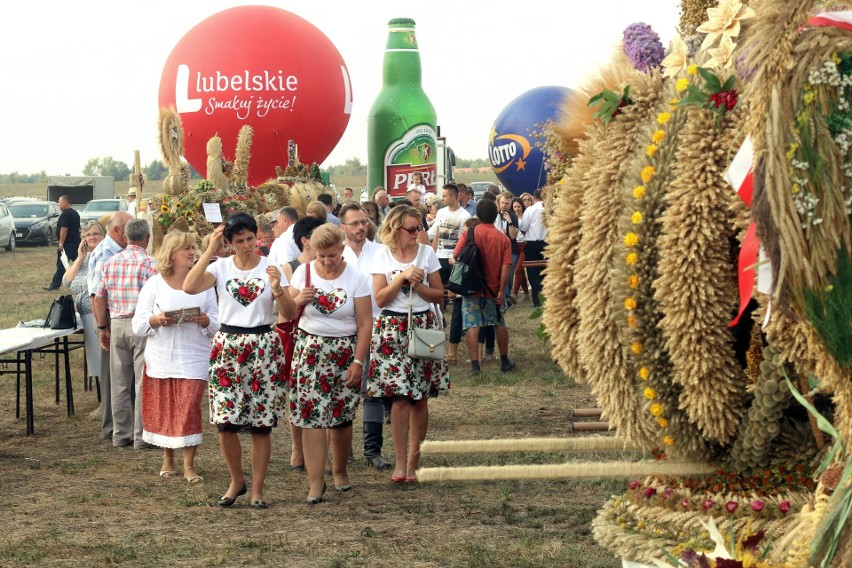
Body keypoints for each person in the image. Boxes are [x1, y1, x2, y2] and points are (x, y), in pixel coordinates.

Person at [183, 213, 298, 509]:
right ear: (230, 243)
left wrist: (277, 287)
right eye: (240, 241)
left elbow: (290, 311)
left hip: (263, 344)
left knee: (260, 424)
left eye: (251, 239)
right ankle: (237, 480)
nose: (247, 245)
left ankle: (258, 488)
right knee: (226, 421)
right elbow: (189, 287)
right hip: (229, 345)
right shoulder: (220, 268)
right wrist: (209, 250)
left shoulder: (271, 268)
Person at [288, 224, 372, 503]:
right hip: (309, 350)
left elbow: (364, 322)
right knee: (311, 418)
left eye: (332, 255)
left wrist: (358, 361)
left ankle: (339, 470)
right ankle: (315, 481)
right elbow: (286, 310)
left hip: (344, 352)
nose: (326, 261)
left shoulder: (356, 277)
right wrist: (299, 297)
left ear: (341, 249)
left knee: (341, 417)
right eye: (321, 256)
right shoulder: (303, 273)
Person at [369, 205, 450, 483]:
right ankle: (400, 463)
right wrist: (402, 277)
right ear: (395, 229)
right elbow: (380, 299)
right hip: (391, 328)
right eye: (412, 228)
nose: (418, 233)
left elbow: (439, 295)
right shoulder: (381, 256)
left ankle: (414, 459)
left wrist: (418, 285)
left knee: (420, 397)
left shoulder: (427, 253)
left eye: (420, 228)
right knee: (399, 398)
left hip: (423, 327)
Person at [132, 231, 220, 483]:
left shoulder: (205, 284)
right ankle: (168, 460)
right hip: (162, 357)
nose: (193, 252)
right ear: (172, 254)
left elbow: (217, 323)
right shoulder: (155, 283)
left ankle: (189, 465)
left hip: (193, 357)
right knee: (167, 411)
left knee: (189, 409)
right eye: (187, 249)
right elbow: (138, 325)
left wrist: (206, 320)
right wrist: (156, 320)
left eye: (194, 247)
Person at [93, 218, 157, 449]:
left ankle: (121, 434)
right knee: (142, 382)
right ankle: (142, 436)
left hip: (117, 323)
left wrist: (102, 327)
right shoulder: (151, 264)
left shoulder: (110, 263)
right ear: (147, 238)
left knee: (119, 383)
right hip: (141, 323)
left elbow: (99, 296)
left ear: (126, 237)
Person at [339, 203, 391, 470]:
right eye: (355, 223)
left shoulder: (381, 252)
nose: (361, 227)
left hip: (376, 330)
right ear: (342, 228)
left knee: (374, 393)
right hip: (342, 332)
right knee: (343, 392)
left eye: (364, 222)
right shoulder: (336, 255)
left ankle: (373, 450)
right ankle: (342, 450)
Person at [279, 215, 325, 473]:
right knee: (298, 394)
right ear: (306, 241)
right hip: (297, 337)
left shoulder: (334, 264)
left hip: (327, 338)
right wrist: (299, 299)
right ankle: (298, 448)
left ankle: (326, 451)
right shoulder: (290, 269)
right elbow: (283, 313)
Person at [454, 199, 515, 376]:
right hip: (493, 290)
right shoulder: (503, 238)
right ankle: (504, 361)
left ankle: (475, 366)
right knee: (499, 323)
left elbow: (457, 254)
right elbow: (506, 267)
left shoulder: (470, 234)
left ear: (478, 215)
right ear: (495, 214)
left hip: (472, 288)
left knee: (473, 326)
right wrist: (502, 290)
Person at [88, 211, 133, 441]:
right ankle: (111, 426)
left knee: (118, 374)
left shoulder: (116, 250)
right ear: (116, 230)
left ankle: (119, 424)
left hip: (113, 316)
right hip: (108, 317)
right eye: (128, 230)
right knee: (111, 375)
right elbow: (97, 294)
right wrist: (102, 326)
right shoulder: (106, 252)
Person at [427, 184, 470, 364]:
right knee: (434, 298)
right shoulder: (442, 213)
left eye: (445, 196)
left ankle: (453, 350)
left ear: (454, 197)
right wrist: (431, 254)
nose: (442, 199)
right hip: (439, 258)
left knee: (457, 300)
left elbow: (465, 240)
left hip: (455, 261)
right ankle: (437, 328)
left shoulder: (465, 216)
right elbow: (436, 234)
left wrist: (458, 259)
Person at [62, 220, 105, 388]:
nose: (91, 237)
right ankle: (102, 399)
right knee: (96, 358)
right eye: (88, 235)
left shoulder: (106, 255)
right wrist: (80, 257)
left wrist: (80, 286)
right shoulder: (85, 259)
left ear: (104, 236)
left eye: (95, 233)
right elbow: (67, 281)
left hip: (100, 312)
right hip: (86, 313)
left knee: (104, 357)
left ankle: (107, 401)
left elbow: (86, 285)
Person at [518, 188, 547, 308]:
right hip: (548, 243)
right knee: (547, 271)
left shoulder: (530, 209)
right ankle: (548, 298)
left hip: (532, 244)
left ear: (534, 198)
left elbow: (523, 227)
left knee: (533, 272)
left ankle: (536, 300)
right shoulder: (550, 209)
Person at [45, 195, 81, 291]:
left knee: (61, 265)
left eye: (59, 202)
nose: (58, 204)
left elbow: (64, 229)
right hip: (76, 243)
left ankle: (55, 284)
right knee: (80, 263)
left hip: (67, 244)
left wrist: (61, 244)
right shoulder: (75, 213)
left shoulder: (65, 214)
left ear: (65, 203)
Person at [497, 191, 520, 305]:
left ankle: (507, 297)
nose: (504, 205)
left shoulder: (513, 216)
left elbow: (513, 236)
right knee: (500, 273)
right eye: (502, 203)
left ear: (510, 203)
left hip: (511, 249)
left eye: (506, 203)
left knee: (509, 275)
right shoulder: (495, 214)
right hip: (499, 249)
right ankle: (503, 297)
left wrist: (510, 223)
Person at [511, 198, 530, 300]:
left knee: (518, 269)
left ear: (522, 207)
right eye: (515, 207)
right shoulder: (511, 218)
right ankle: (526, 293)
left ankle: (514, 293)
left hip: (524, 245)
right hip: (514, 246)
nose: (517, 209)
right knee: (520, 271)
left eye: (518, 206)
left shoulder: (526, 217)